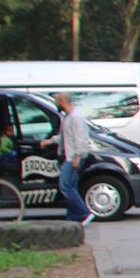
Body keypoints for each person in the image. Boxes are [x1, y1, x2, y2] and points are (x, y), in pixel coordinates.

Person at [49, 91, 93, 225]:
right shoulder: (68, 117)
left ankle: (84, 213)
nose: (56, 105)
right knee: (72, 185)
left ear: (62, 102)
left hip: (73, 157)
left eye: (57, 102)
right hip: (71, 155)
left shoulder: (75, 118)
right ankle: (73, 216)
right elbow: (65, 137)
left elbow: (80, 139)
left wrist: (77, 157)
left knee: (65, 186)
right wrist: (51, 141)